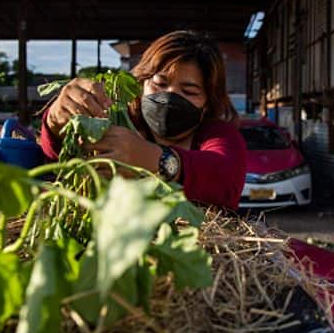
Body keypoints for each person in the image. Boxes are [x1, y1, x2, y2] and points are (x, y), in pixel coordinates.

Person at [40, 30, 247, 210]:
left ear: (208, 103)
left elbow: (226, 179)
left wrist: (158, 160)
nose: (169, 96)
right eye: (160, 84)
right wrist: (56, 122)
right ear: (142, 84)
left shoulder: (217, 134)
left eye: (189, 91)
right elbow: (59, 156)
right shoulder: (115, 119)